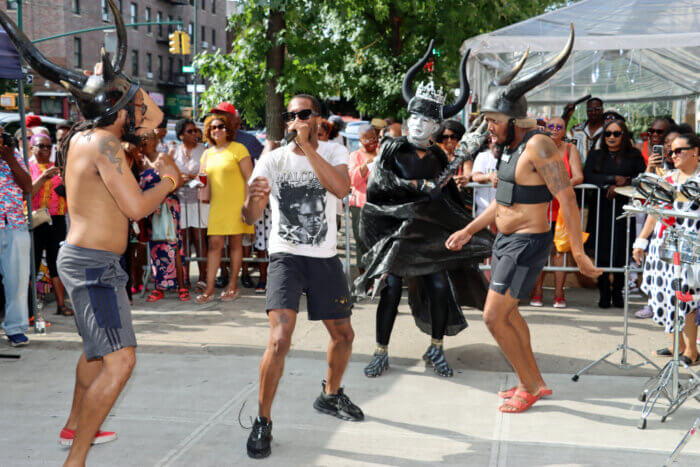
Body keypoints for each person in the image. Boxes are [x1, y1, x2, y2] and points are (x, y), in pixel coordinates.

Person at [1, 2, 182, 463]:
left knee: (96, 355)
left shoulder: (85, 137)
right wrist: (168, 181)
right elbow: (137, 207)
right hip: (95, 266)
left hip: (86, 260)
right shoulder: (103, 143)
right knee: (121, 362)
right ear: (118, 109)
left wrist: (119, 93)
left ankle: (72, 427)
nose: (136, 104)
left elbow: (152, 122)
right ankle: (75, 458)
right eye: (128, 99)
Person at [447, 26, 601, 414]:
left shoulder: (539, 144)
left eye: (494, 120)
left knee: (493, 317)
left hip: (528, 244)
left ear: (515, 119)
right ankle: (531, 381)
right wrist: (468, 230)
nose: (489, 128)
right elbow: (503, 203)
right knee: (509, 314)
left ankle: (530, 386)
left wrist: (579, 252)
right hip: (507, 242)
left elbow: (567, 198)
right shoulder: (507, 148)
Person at [356, 44, 493, 379]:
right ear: (407, 119)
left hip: (426, 234)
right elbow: (378, 185)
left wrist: (451, 200)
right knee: (389, 290)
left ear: (436, 127)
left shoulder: (439, 158)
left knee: (439, 287)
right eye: (415, 118)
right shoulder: (390, 148)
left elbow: (446, 199)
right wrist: (416, 189)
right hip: (394, 232)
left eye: (427, 120)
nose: (418, 126)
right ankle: (380, 351)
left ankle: (436, 346)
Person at [242, 94, 362, 459]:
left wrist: (309, 149)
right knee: (279, 339)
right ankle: (263, 420)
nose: (295, 119)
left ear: (318, 118)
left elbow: (342, 189)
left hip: (323, 258)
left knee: (343, 335)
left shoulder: (335, 152)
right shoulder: (272, 159)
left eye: (303, 114)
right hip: (285, 258)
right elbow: (249, 216)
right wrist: (252, 200)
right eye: (290, 115)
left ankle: (330, 393)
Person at [633, 133, 699, 365]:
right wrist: (641, 240)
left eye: (679, 151)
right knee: (664, 295)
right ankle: (676, 345)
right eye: (671, 152)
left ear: (695, 151)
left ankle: (691, 351)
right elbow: (654, 212)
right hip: (663, 247)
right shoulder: (668, 178)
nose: (673, 155)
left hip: (692, 248)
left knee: (687, 296)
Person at [584, 119, 645, 308]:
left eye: (616, 133)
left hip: (624, 210)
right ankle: (603, 293)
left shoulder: (633, 155)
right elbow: (588, 175)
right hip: (602, 209)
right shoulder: (596, 155)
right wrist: (610, 181)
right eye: (608, 133)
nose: (611, 137)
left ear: (623, 135)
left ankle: (618, 292)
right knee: (602, 252)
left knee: (620, 252)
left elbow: (642, 176)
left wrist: (625, 182)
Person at [195, 114, 254, 303]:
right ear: (208, 132)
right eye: (213, 128)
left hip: (237, 204)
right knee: (214, 245)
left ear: (228, 129)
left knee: (236, 244)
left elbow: (249, 178)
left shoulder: (239, 149)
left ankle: (232, 285)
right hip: (217, 205)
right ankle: (210, 289)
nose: (217, 130)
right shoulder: (207, 153)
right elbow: (202, 177)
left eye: (221, 126)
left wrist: (247, 204)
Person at [529, 116, 584, 308]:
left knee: (561, 251)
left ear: (564, 130)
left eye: (558, 126)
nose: (554, 129)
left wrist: (559, 185)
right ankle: (537, 291)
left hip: (563, 208)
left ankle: (559, 293)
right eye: (550, 126)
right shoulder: (536, 148)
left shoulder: (570, 149)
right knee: (540, 251)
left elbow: (578, 176)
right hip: (540, 207)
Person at [139, 130, 189, 302]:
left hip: (167, 206)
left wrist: (162, 194)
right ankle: (159, 286)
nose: (143, 143)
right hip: (151, 209)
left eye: (145, 139)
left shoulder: (163, 158)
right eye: (141, 140)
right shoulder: (141, 161)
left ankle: (182, 286)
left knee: (172, 244)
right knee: (156, 247)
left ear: (154, 141)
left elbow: (179, 180)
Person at [28, 133, 72, 316]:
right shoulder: (27, 167)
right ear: (32, 148)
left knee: (57, 263)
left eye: (48, 146)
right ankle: (31, 309)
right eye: (41, 146)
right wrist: (43, 178)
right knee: (33, 262)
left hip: (57, 219)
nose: (46, 150)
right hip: (37, 219)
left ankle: (61, 305)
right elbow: (27, 193)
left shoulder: (60, 168)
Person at [0, 125, 32, 347]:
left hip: (13, 224)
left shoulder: (14, 155)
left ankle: (15, 328)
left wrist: (10, 159)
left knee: (17, 280)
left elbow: (28, 186)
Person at [173, 118, 208, 292]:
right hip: (181, 202)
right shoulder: (174, 151)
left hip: (199, 201)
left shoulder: (203, 150)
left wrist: (193, 178)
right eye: (190, 131)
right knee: (184, 241)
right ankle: (184, 278)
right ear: (181, 135)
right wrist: (180, 178)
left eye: (195, 130)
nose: (195, 134)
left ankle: (203, 279)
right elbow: (170, 176)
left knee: (200, 240)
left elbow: (206, 175)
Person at [348, 124, 378, 272]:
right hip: (360, 204)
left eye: (374, 137)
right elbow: (352, 181)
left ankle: (376, 276)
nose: (372, 141)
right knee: (361, 242)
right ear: (360, 139)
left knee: (377, 241)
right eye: (368, 139)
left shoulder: (381, 154)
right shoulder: (355, 156)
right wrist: (364, 166)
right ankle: (363, 276)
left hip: (379, 204)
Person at [568, 97, 604, 163]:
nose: (593, 112)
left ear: (602, 110)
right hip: (579, 170)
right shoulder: (575, 130)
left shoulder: (609, 131)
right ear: (586, 111)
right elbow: (562, 141)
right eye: (590, 109)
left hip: (602, 171)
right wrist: (567, 117)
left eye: (597, 109)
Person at [434, 120, 469, 188]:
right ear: (440, 138)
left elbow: (468, 171)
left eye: (453, 137)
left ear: (458, 137)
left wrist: (465, 178)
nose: (449, 140)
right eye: (445, 137)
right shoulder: (435, 154)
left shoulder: (464, 154)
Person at [471, 138, 498, 216]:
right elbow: (475, 177)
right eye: (491, 141)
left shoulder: (511, 156)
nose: (495, 144)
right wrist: (490, 176)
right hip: (484, 211)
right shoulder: (483, 156)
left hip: (506, 211)